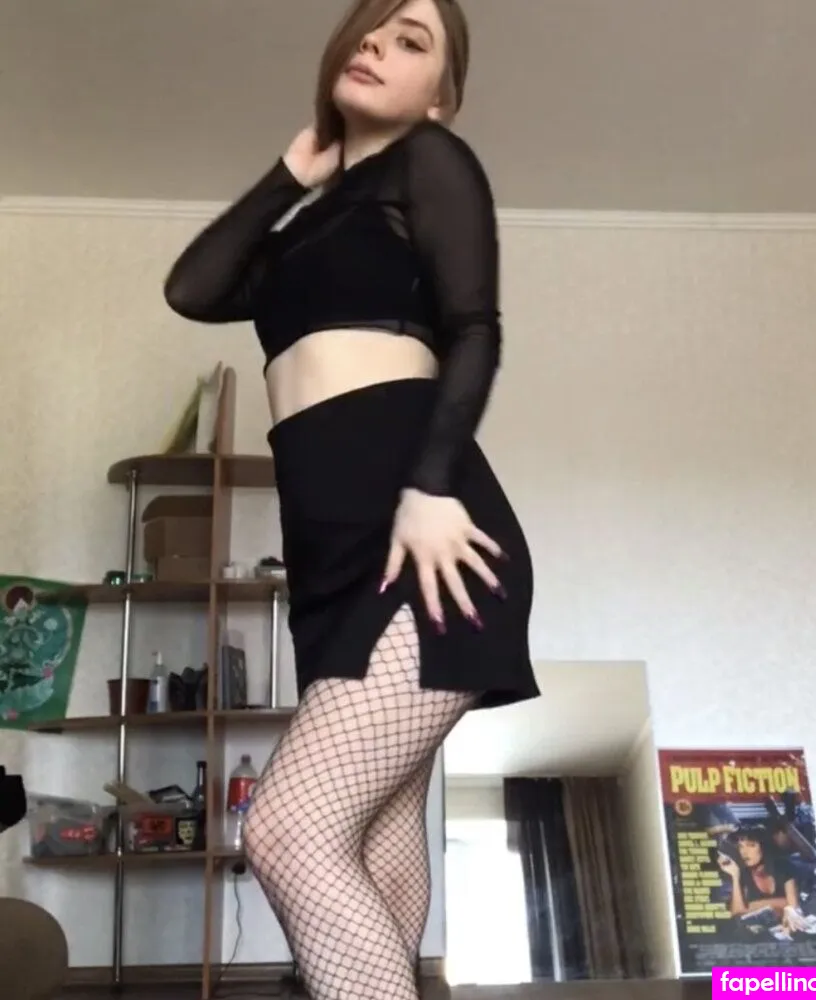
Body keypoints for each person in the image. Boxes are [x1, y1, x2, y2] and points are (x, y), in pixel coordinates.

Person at [163, 0, 540, 997]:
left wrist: (429, 486)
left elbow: (475, 328)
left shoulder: (430, 162)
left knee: (289, 831)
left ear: (442, 97)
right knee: (373, 831)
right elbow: (193, 288)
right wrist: (291, 174)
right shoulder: (304, 229)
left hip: (424, 529)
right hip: (330, 554)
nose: (376, 43)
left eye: (411, 41)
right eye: (371, 29)